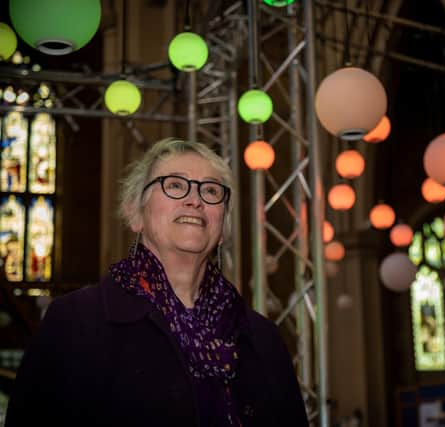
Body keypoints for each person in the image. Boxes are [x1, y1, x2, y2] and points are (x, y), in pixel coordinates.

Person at [5, 138, 309, 427]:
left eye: (211, 191)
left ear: (223, 223)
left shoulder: (262, 337)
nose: (195, 200)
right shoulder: (75, 321)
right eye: (175, 185)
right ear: (134, 213)